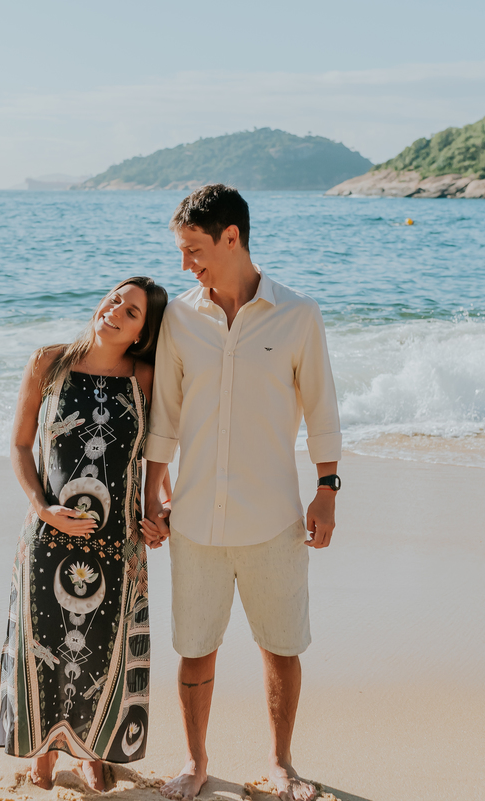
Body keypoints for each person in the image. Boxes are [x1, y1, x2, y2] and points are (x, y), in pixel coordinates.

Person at [141, 185, 341, 801]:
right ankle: (196, 763)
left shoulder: (298, 314)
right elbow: (165, 414)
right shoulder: (179, 316)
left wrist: (327, 488)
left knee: (281, 645)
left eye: (194, 249)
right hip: (195, 518)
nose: (185, 264)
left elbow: (321, 408)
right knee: (195, 648)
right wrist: (152, 490)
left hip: (273, 517)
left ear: (233, 237)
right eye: (181, 251)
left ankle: (281, 763)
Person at [0, 276, 169, 791]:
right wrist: (42, 508)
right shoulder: (49, 362)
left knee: (104, 647)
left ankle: (94, 751)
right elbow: (21, 446)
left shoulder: (146, 378)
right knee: (43, 642)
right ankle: (45, 752)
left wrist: (158, 511)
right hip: (49, 536)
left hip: (117, 541)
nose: (116, 309)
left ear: (142, 332)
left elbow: (156, 457)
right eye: (116, 297)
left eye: (132, 311)